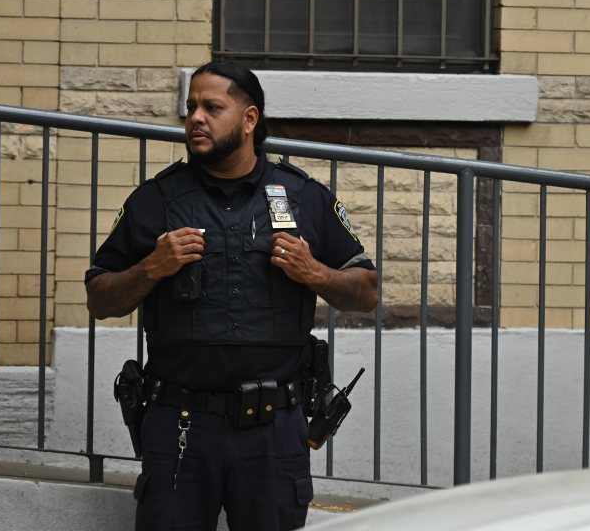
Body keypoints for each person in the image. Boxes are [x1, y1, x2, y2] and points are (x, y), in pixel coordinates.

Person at [86, 60, 378, 531]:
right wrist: (151, 267)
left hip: (273, 432)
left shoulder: (304, 198)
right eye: (190, 108)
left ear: (249, 120)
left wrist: (315, 272)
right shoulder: (156, 200)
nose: (195, 118)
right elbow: (100, 298)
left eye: (212, 107)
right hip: (179, 424)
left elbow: (366, 291)